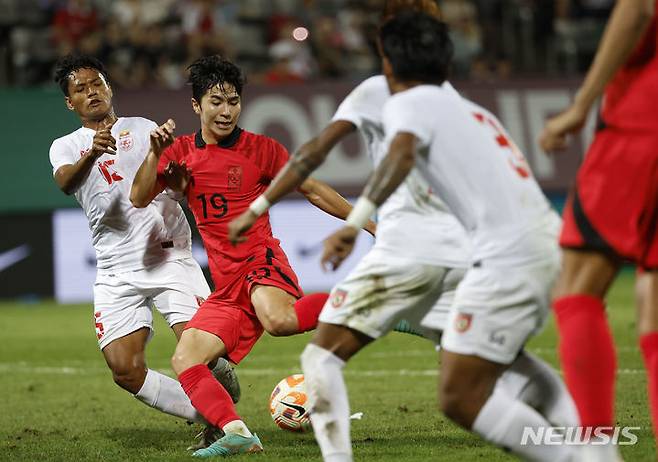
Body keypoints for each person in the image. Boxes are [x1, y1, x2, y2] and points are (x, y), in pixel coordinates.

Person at [229, 3, 578, 462]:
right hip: (491, 251)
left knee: (323, 359)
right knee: (494, 372)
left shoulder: (398, 95)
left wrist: (350, 223)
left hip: (416, 250)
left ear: (388, 57)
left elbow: (391, 153)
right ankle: (587, 447)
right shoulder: (466, 107)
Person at [129, 54, 375, 457]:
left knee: (278, 320)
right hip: (226, 286)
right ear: (196, 105)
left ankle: (371, 301)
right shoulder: (178, 154)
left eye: (233, 101)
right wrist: (155, 153)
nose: (226, 111)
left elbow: (312, 189)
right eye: (216, 101)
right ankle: (237, 431)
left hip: (260, 261)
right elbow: (138, 197)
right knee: (186, 356)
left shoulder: (261, 149)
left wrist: (367, 222)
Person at [48, 54, 239, 450]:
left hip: (167, 254)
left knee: (197, 351)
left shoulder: (142, 128)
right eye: (80, 89)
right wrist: (91, 153)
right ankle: (206, 409)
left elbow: (171, 181)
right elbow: (66, 183)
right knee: (125, 371)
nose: (91, 93)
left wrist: (172, 166)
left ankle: (223, 415)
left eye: (96, 84)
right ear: (70, 103)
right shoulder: (65, 146)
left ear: (109, 88)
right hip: (116, 268)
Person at [540, 0, 658, 458]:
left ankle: (596, 449)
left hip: (640, 127)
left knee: (577, 289)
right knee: (653, 305)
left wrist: (581, 105)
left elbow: (638, 10)